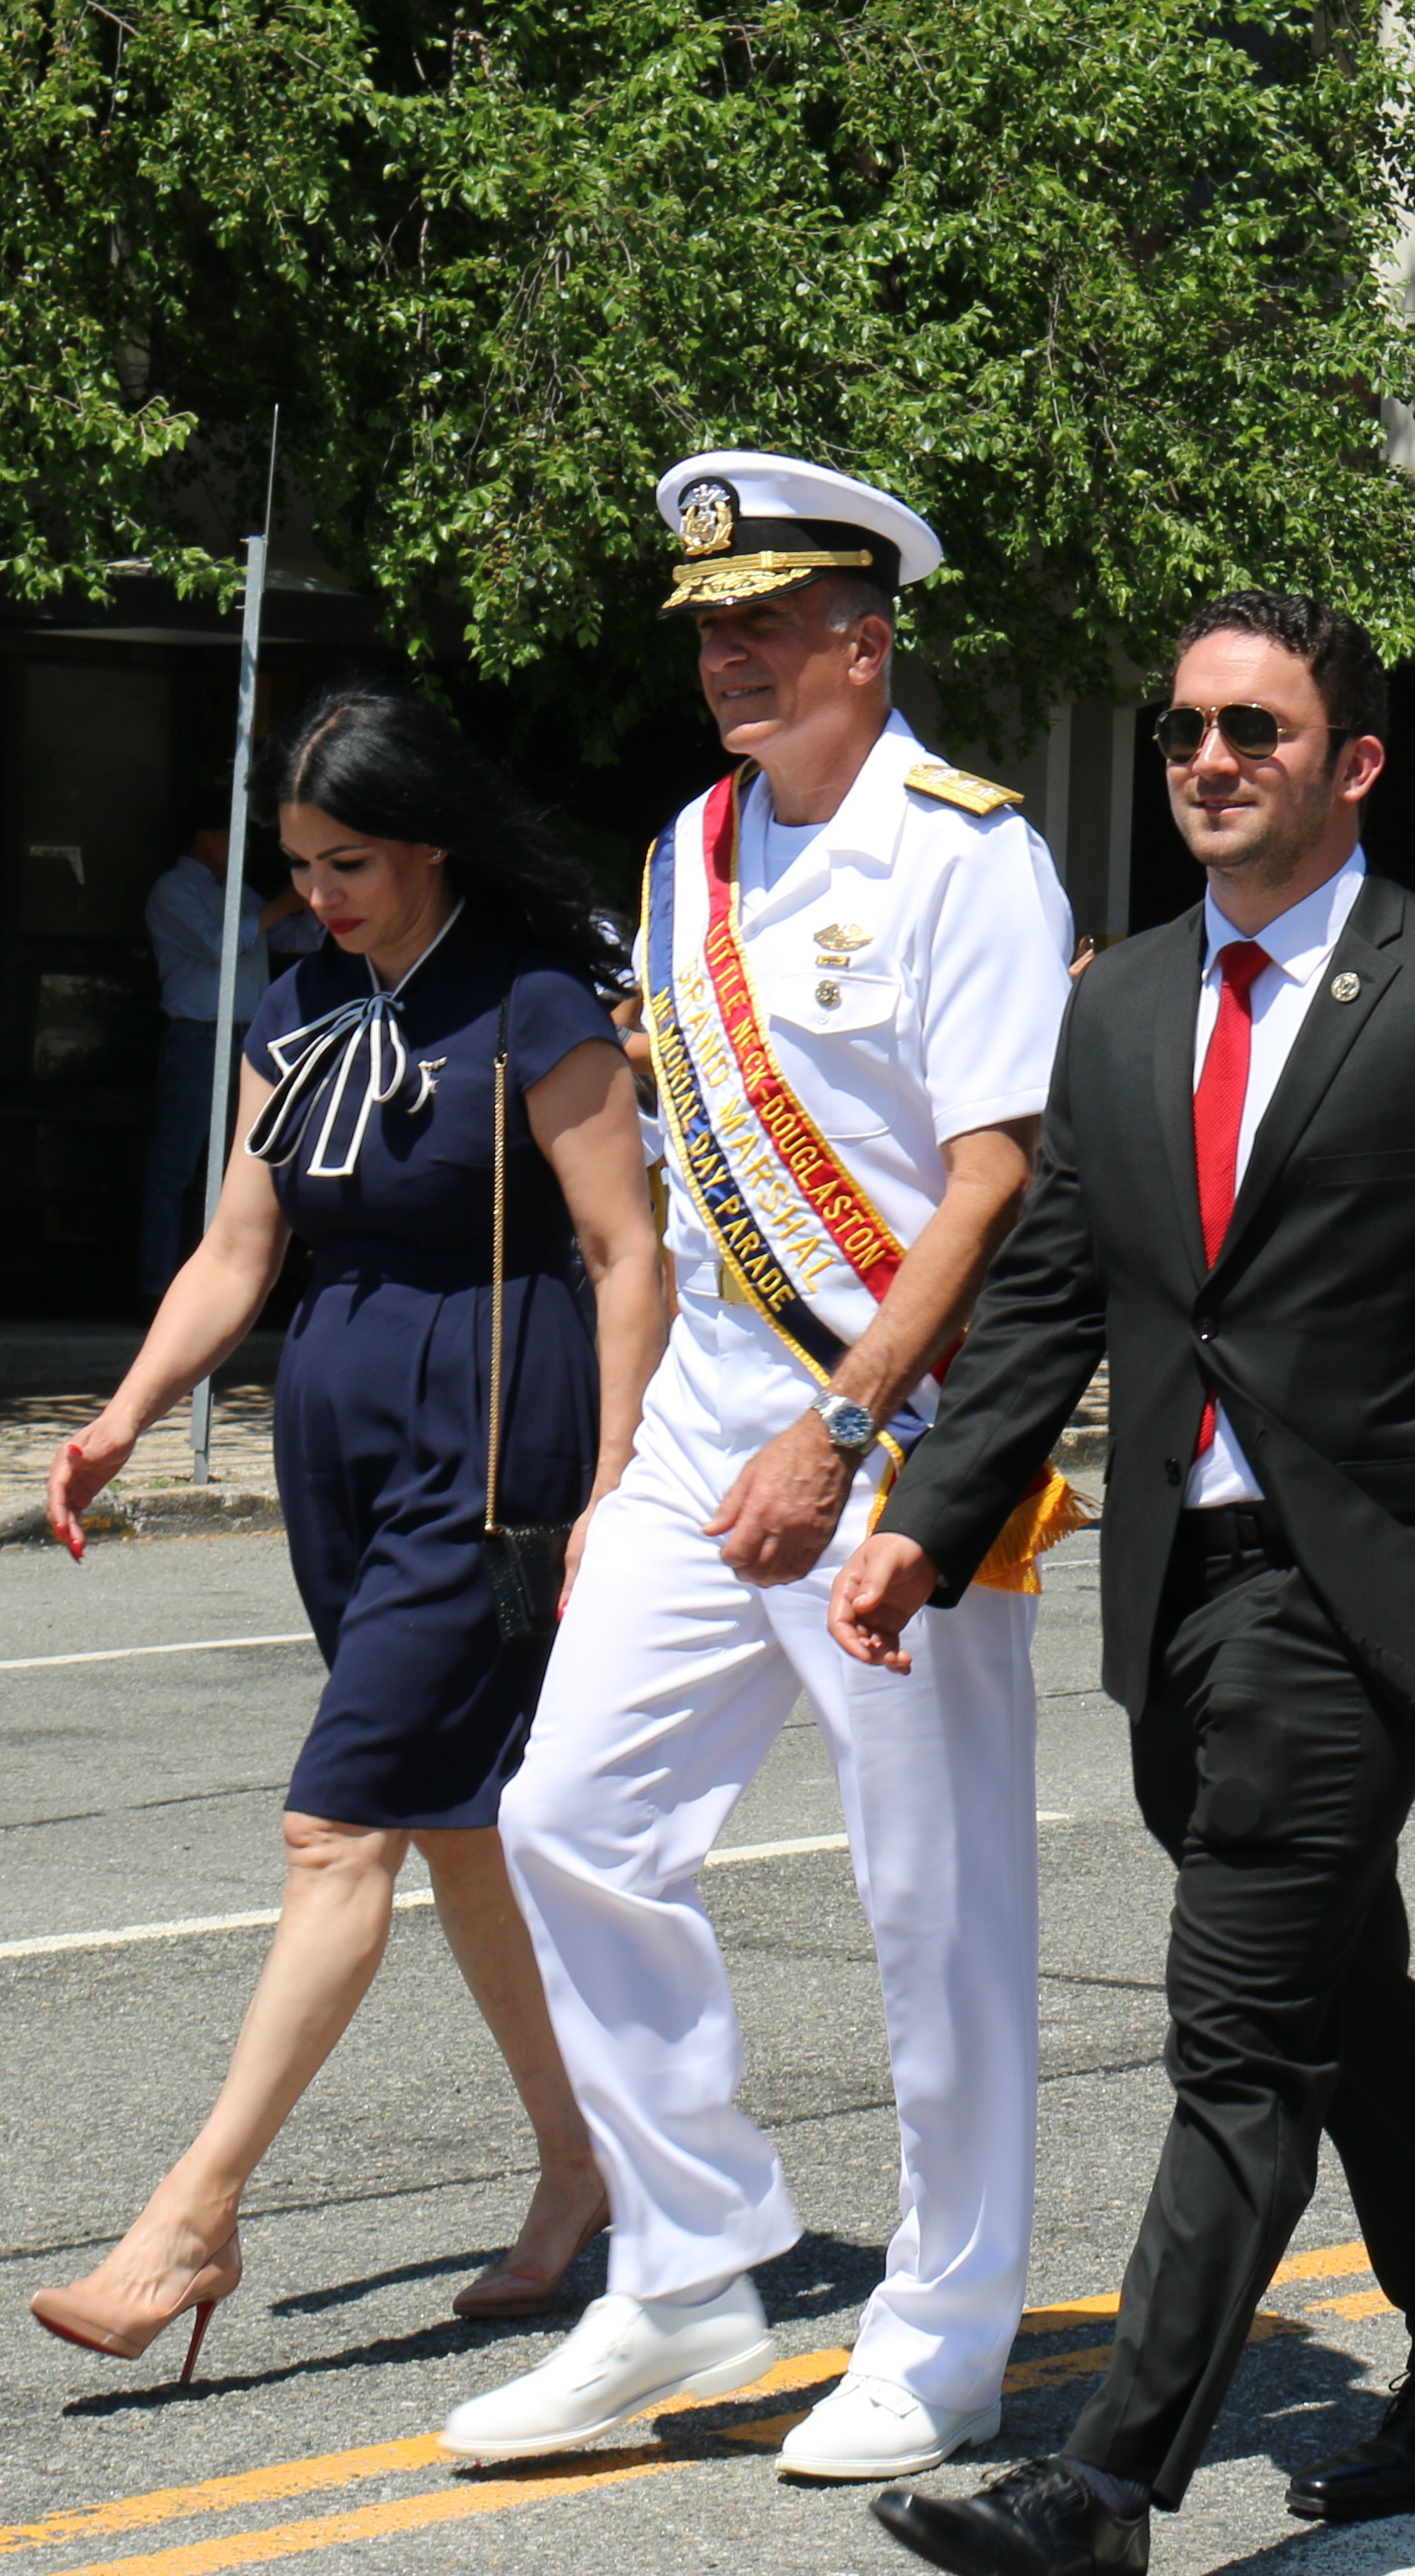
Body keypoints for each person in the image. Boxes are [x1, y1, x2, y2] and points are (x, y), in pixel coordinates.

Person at [835, 589, 1415, 2576]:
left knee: (1239, 2031)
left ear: (1348, 762)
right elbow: (1046, 1299)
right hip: (1176, 1588)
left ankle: (1107, 2479)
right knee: (1333, 1987)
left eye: (1255, 730)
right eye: (1188, 727)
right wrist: (928, 1519)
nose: (1208, 759)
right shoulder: (1114, 1006)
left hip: (1359, 1584)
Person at [448, 454, 1078, 2485]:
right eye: (707, 626)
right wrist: (654, 1428)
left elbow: (993, 1179)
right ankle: (691, 2251)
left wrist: (845, 1430)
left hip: (893, 1443)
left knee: (935, 1903)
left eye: (763, 621)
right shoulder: (687, 851)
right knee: (566, 1817)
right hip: (711, 1423)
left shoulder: (964, 854)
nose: (724, 654)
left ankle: (947, 2325)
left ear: (861, 638)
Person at [26, 686, 665, 2380]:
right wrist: (121, 1418)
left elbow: (626, 1256)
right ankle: (584, 2165)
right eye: (303, 865)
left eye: (354, 862)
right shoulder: (299, 1005)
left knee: (340, 1828)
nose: (322, 895)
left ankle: (190, 2219)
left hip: (491, 1431)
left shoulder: (536, 1002)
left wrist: (610, 1484)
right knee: (454, 1827)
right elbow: (239, 1252)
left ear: (431, 842)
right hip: (341, 1424)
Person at [140, 811, 321, 1299]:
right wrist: (282, 907)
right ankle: (157, 1288)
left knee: (238, 1168)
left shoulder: (235, 891)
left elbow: (292, 939)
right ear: (204, 835)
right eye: (228, 833)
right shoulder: (174, 889)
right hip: (200, 1037)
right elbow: (221, 945)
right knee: (176, 1167)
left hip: (248, 1039)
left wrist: (315, 905)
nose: (238, 846)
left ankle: (222, 1290)